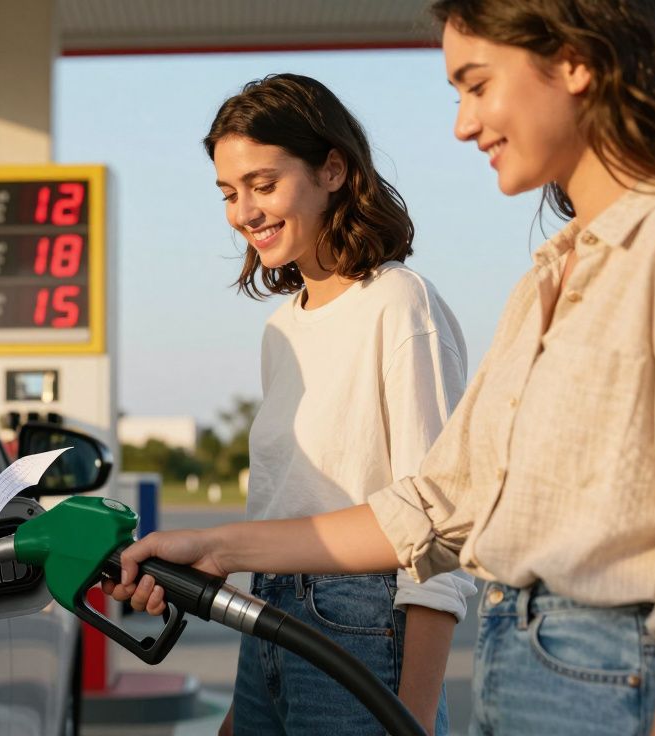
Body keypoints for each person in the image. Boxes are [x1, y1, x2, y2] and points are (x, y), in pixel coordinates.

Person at [106, 2, 655, 734]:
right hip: (518, 661)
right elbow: (437, 504)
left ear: (574, 60)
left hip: (612, 675)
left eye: (477, 84)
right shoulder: (548, 278)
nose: (463, 125)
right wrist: (211, 547)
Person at [198, 74, 476, 735]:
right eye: (229, 193)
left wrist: (414, 716)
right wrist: (249, 696)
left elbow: (435, 532)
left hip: (363, 625)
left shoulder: (399, 303)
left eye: (263, 185)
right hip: (267, 616)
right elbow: (280, 513)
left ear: (332, 170)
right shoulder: (282, 330)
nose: (244, 211)